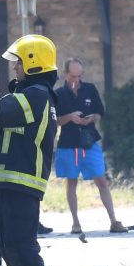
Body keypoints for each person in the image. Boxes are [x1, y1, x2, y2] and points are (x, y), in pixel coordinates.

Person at [0, 33, 62, 266]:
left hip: (23, 182)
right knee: (12, 247)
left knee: (24, 247)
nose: (14, 68)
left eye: (18, 63)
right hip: (10, 182)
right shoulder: (28, 95)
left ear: (32, 63)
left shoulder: (36, 95)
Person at [51, 58, 118, 237]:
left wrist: (91, 118)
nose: (77, 80)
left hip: (89, 142)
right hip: (68, 143)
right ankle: (75, 222)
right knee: (71, 182)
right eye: (73, 76)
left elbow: (99, 112)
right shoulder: (58, 94)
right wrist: (70, 117)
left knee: (101, 181)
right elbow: (55, 121)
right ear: (66, 74)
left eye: (79, 76)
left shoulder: (89, 88)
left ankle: (113, 220)